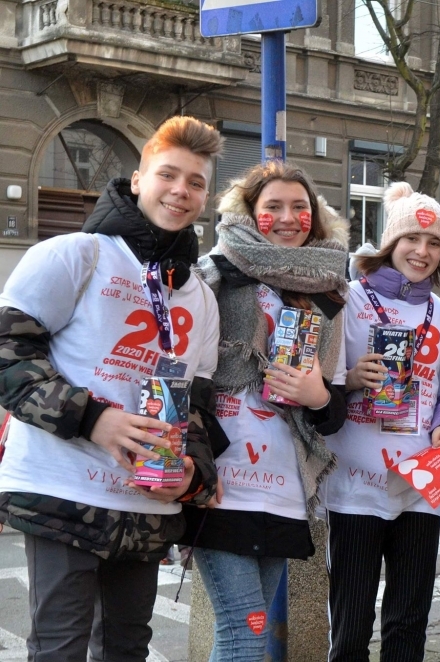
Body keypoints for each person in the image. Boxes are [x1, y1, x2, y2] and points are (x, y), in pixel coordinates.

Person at [0, 116, 223, 661]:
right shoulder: (76, 255)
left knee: (127, 648)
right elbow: (8, 353)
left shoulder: (199, 294)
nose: (180, 191)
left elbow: (196, 404)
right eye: (168, 175)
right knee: (60, 647)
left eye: (195, 182)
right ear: (138, 177)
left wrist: (193, 473)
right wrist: (95, 419)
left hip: (148, 498)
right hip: (64, 488)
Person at [186, 160, 350, 660]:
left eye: (299, 207)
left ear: (315, 218)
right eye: (272, 206)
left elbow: (334, 408)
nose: (286, 217)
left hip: (284, 484)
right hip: (224, 480)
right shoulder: (214, 274)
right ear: (248, 212)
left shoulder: (327, 295)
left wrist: (316, 395)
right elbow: (184, 371)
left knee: (248, 629)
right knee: (245, 631)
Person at [323, 181, 440, 662]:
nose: (422, 252)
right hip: (356, 484)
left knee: (408, 625)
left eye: (434, 244)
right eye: (412, 239)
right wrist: (349, 377)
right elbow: (314, 378)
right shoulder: (350, 299)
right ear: (391, 243)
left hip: (420, 485)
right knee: (350, 626)